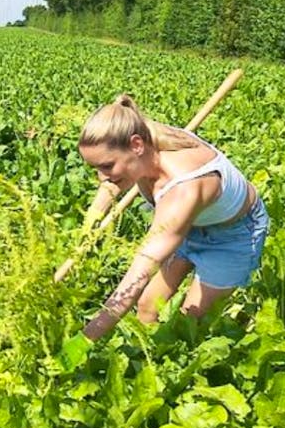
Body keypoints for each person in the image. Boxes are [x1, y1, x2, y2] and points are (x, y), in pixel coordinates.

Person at [59, 94, 269, 368]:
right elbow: (110, 185)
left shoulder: (182, 191)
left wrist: (83, 342)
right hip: (189, 225)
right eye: (95, 167)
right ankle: (146, 369)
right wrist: (93, 219)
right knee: (147, 306)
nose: (101, 176)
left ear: (136, 145)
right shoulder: (142, 139)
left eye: (107, 166)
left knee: (186, 324)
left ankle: (176, 376)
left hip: (233, 237)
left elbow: (135, 278)